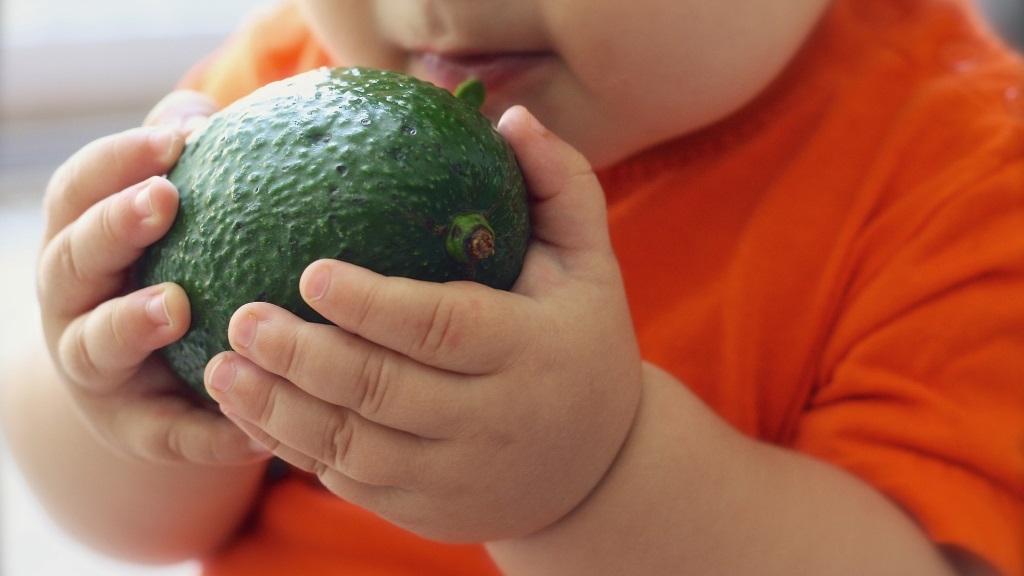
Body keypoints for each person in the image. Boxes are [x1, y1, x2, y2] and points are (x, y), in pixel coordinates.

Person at [2, 0, 1021, 574]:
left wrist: (596, 479)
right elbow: (139, 527)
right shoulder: (295, 89)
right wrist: (115, 370)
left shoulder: (966, 182)